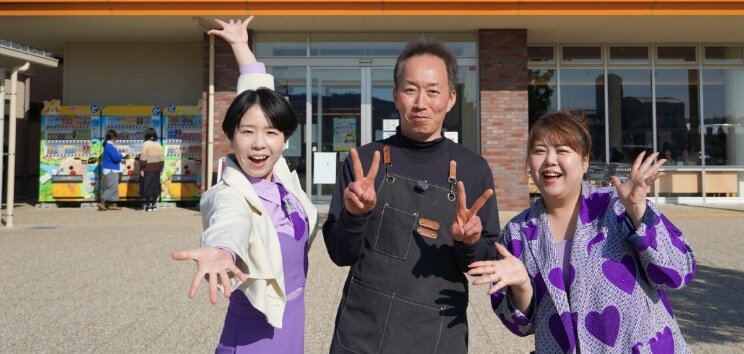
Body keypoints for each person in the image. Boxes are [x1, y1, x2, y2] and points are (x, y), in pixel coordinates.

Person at [322, 38, 499, 353]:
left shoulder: (474, 170)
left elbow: (487, 263)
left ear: (451, 98)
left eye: (433, 91)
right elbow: (340, 254)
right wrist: (355, 216)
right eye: (410, 89)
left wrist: (469, 244)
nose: (421, 103)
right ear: (395, 95)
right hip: (363, 332)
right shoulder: (364, 163)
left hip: (439, 335)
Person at [468, 110, 697, 353]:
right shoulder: (518, 232)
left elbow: (678, 272)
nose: (549, 160)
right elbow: (522, 326)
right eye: (539, 150)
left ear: (585, 160)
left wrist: (639, 211)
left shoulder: (619, 206)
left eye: (562, 150)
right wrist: (523, 284)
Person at [172, 17, 318, 353]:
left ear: (284, 141)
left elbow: (256, 93)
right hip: (253, 333)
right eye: (247, 132)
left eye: (271, 133)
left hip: (292, 319)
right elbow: (229, 220)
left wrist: (240, 44)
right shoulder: (230, 193)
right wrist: (222, 249)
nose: (259, 144)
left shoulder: (279, 173)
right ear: (231, 136)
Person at [139, 127, 164, 212]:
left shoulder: (145, 144)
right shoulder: (159, 144)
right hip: (157, 168)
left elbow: (143, 157)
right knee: (155, 187)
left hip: (147, 168)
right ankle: (154, 205)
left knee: (147, 186)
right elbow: (162, 158)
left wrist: (142, 168)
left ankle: (148, 205)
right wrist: (161, 169)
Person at [99, 129, 122, 211]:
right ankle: (102, 202)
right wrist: (123, 154)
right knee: (112, 187)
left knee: (114, 186)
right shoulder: (109, 146)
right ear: (114, 137)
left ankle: (113, 204)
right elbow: (115, 158)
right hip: (111, 169)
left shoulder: (107, 146)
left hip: (110, 168)